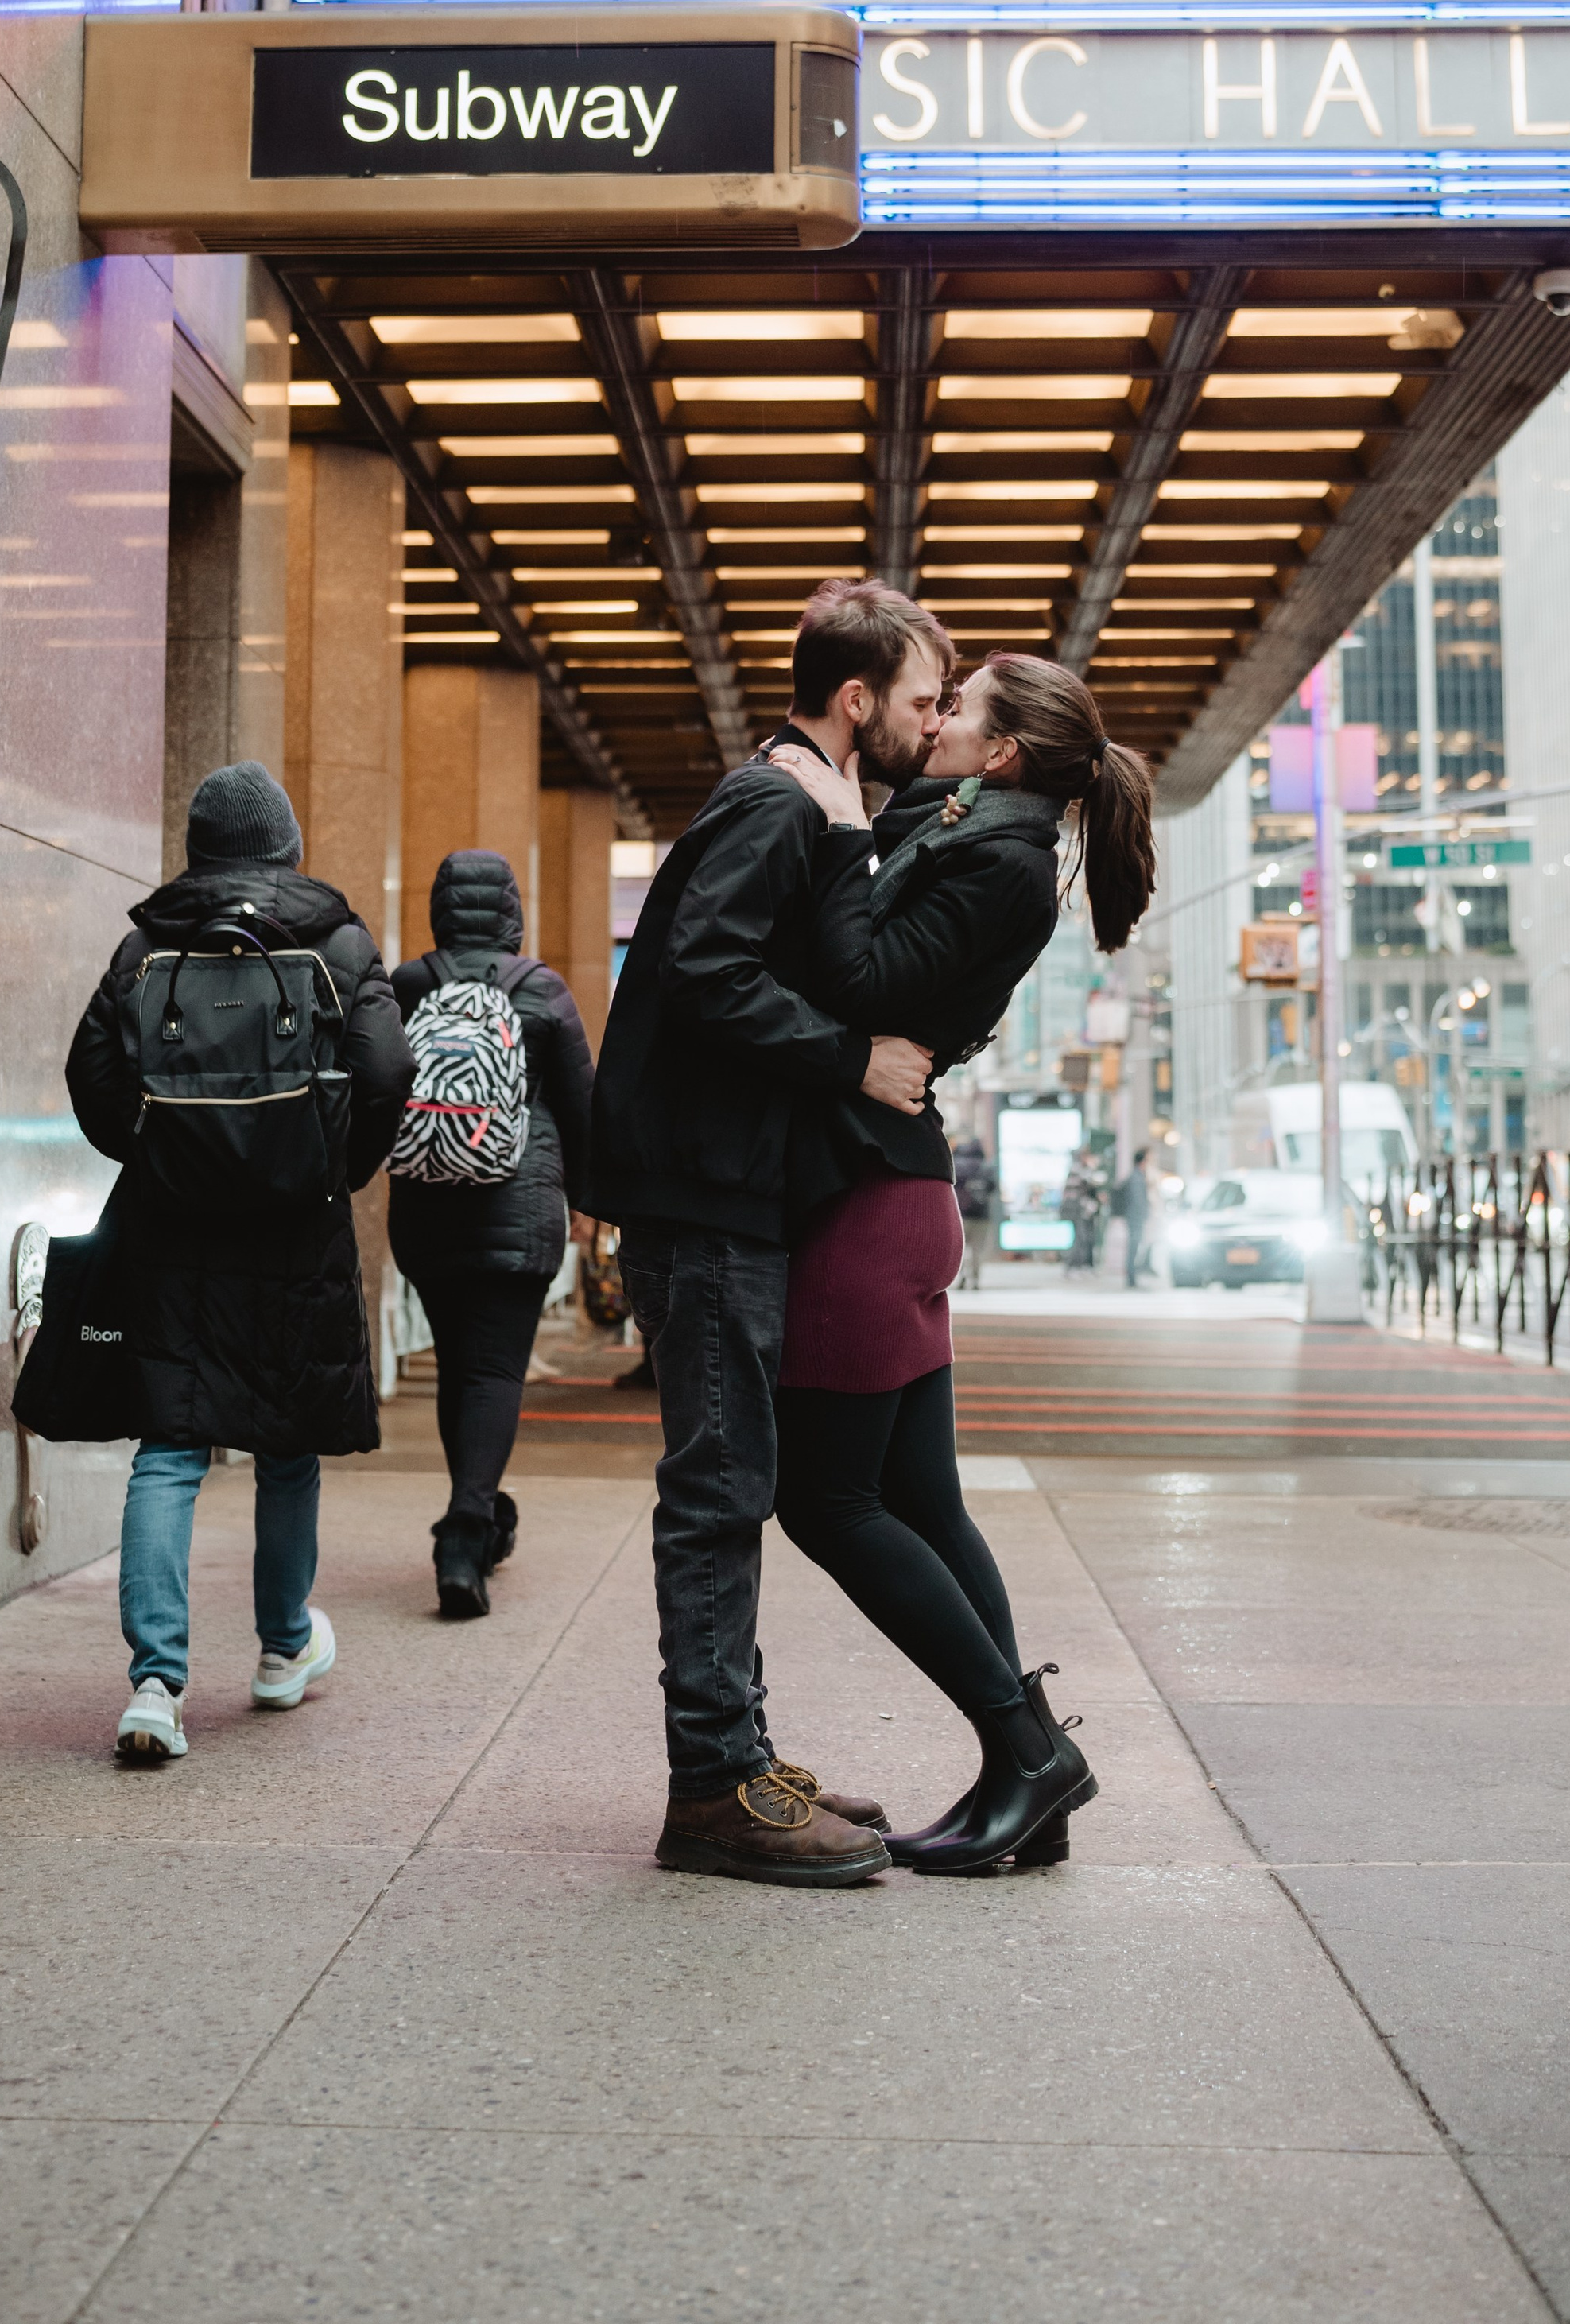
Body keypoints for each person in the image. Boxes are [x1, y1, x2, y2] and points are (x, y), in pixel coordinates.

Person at [767, 650, 1156, 1872]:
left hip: (871, 1202)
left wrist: (836, 834)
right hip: (895, 1189)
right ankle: (1023, 1770)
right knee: (923, 1500)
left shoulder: (1000, 862)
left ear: (999, 754)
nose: (932, 719)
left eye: (959, 708)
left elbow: (869, 976)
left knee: (826, 1498)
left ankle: (1025, 1749)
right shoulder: (966, 830)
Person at [591, 580, 951, 1886]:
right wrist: (848, 1056)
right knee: (719, 1492)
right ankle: (711, 1788)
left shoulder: (809, 803)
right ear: (856, 701)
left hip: (723, 1195)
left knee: (731, 1487)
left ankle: (737, 1756)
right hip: (706, 1206)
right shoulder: (777, 803)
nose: (935, 720)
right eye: (921, 699)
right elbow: (699, 968)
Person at [66, 761, 413, 1763]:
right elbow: (388, 1068)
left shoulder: (147, 942)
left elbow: (90, 1072)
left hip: (172, 1229)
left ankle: (154, 1683)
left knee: (168, 1445)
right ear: (286, 844)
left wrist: (151, 1149)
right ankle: (281, 1649)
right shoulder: (339, 942)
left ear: (199, 845)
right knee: (286, 1437)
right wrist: (333, 1166)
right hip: (294, 1227)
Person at [390, 848, 595, 1618]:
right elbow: (581, 1107)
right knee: (495, 1369)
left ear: (439, 909)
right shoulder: (540, 989)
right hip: (518, 1205)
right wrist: (588, 1203)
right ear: (513, 912)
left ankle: (472, 1513)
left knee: (458, 1365)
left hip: (428, 1206)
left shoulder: (408, 984)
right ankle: (466, 1530)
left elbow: (377, 1082)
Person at [952, 1127, 995, 1287]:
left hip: (961, 1214)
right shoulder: (987, 1166)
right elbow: (993, 1187)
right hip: (982, 1215)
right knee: (978, 1250)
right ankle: (976, 1279)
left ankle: (961, 1277)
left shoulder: (957, 1165)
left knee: (961, 1250)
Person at [1060, 1147, 1107, 1274]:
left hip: (1083, 1211)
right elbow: (1091, 1182)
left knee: (1085, 1238)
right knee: (1080, 1238)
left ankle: (1083, 1265)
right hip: (1077, 1210)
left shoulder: (1080, 1170)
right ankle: (1072, 1267)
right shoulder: (1078, 1170)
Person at [1119, 1146, 1151, 1286]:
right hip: (1135, 1217)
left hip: (1133, 1216)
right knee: (1134, 1246)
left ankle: (1132, 1277)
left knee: (1134, 1246)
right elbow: (1138, 1200)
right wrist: (1145, 1215)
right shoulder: (1137, 1177)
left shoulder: (1136, 1175)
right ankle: (1131, 1278)